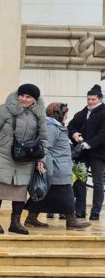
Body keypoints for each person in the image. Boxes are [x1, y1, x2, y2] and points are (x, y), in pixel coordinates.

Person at [0, 84, 48, 235]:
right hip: (2, 154)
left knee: (20, 191)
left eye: (28, 97)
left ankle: (15, 222)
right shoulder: (4, 109)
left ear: (34, 100)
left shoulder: (39, 115)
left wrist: (40, 158)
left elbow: (44, 138)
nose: (23, 99)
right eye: (22, 95)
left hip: (26, 158)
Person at [25, 103, 91, 230]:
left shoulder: (54, 126)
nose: (66, 116)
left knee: (44, 193)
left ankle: (31, 218)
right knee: (67, 192)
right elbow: (46, 147)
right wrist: (44, 165)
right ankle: (71, 221)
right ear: (58, 114)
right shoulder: (51, 127)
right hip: (56, 168)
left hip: (58, 166)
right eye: (65, 113)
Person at [70, 84, 105, 220]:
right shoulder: (83, 112)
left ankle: (95, 211)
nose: (90, 102)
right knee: (80, 181)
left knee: (98, 182)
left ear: (100, 99)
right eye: (88, 99)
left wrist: (89, 144)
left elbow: (103, 134)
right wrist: (74, 134)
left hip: (98, 154)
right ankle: (80, 210)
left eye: (93, 99)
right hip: (82, 154)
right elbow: (71, 125)